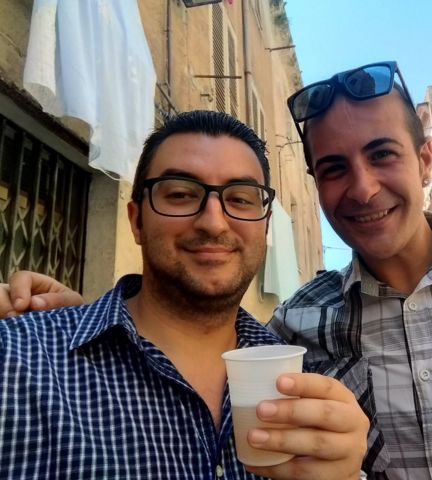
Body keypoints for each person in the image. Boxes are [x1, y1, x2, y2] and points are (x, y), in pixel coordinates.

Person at [2, 62, 432, 480]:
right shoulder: (293, 328)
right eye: (333, 168)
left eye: (382, 154)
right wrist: (88, 321)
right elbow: (179, 330)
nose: (362, 188)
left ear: (425, 159)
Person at [0, 110, 369, 480]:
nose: (213, 222)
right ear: (137, 221)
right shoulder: (17, 360)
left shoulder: (302, 383)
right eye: (180, 194)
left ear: (265, 227)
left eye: (241, 199)